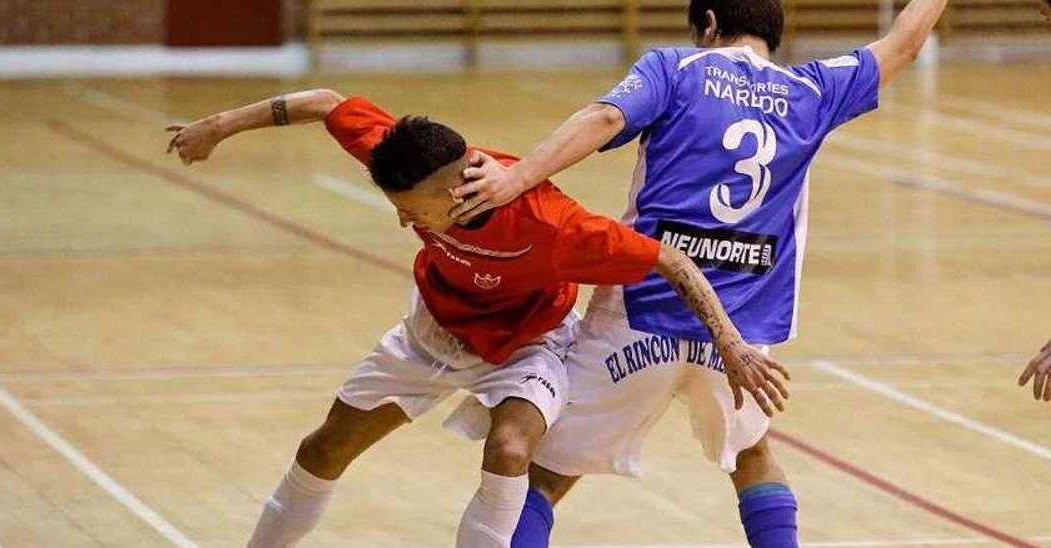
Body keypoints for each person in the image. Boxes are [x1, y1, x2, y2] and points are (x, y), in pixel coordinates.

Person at [166, 89, 788, 547]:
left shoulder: (553, 228)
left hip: (530, 343)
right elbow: (324, 103)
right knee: (324, 448)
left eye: (413, 211)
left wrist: (730, 345)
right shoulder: (413, 157)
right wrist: (217, 125)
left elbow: (672, 260)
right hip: (431, 332)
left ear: (455, 188)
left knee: (512, 447)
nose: (405, 223)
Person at [449, 0, 950, 544]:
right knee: (753, 457)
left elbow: (606, 118)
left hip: (639, 315)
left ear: (709, 24)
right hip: (740, 335)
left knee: (543, 478)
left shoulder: (676, 68)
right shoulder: (812, 90)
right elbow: (905, 41)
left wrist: (516, 178)